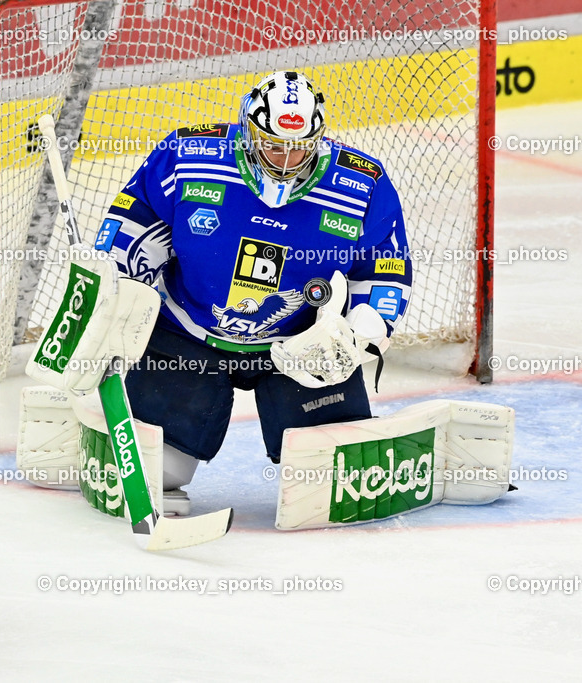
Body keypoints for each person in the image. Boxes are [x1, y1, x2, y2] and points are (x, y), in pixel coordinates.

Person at [92, 70, 413, 514]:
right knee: (161, 470)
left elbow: (385, 271)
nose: (287, 158)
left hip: (300, 346)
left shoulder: (362, 185)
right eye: (274, 144)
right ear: (248, 132)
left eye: (299, 146)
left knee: (331, 480)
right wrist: (114, 288)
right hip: (188, 333)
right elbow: (132, 227)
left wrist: (360, 330)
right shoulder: (189, 156)